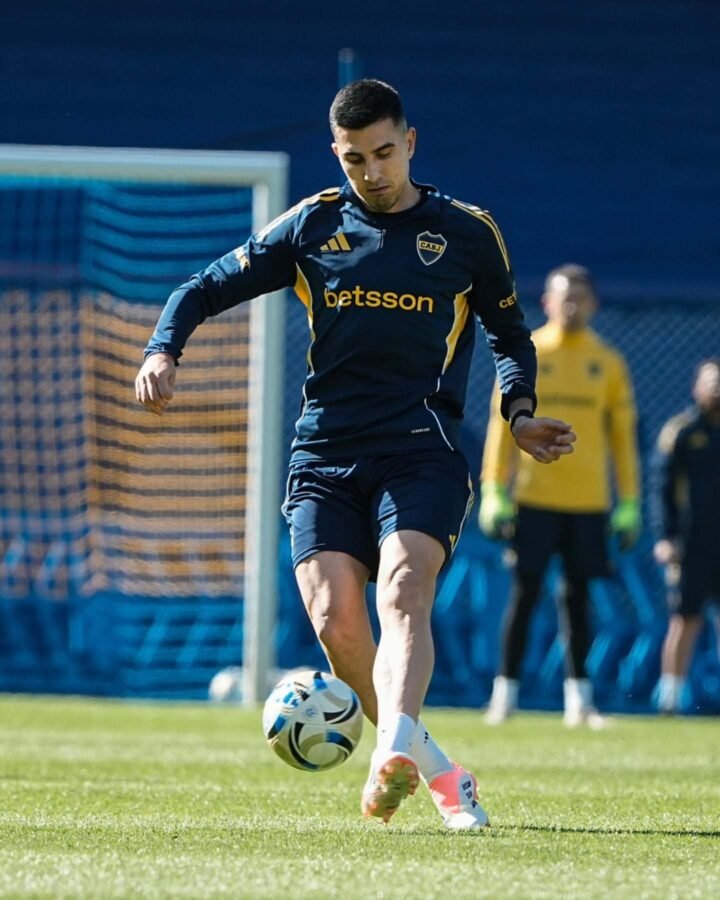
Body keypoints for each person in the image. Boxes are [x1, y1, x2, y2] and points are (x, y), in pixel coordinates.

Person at [135, 79, 575, 827]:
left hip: (420, 448)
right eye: (353, 159)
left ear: (410, 142)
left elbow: (508, 335)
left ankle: (387, 752)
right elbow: (204, 285)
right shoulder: (312, 226)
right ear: (336, 157)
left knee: (402, 590)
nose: (371, 172)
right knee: (339, 623)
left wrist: (521, 411)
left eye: (383, 152)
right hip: (324, 454)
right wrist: (162, 350)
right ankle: (439, 772)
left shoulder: (467, 233)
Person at [479, 264, 640, 727]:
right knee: (524, 595)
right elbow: (500, 424)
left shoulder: (607, 362)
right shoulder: (527, 353)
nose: (572, 305)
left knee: (578, 599)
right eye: (563, 297)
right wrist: (494, 488)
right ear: (546, 301)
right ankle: (504, 696)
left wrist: (629, 501)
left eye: (580, 298)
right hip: (533, 496)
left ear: (594, 304)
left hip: (588, 501)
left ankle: (579, 701)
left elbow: (622, 438)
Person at [653, 358, 720, 714]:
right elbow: (662, 489)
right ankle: (670, 698)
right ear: (697, 387)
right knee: (685, 619)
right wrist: (666, 537)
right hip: (691, 546)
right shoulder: (682, 430)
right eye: (713, 382)